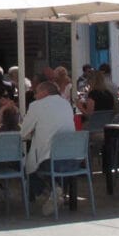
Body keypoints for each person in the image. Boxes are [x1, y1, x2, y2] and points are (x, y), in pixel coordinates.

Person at [20, 80, 77, 214]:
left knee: (26, 167)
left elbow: (23, 132)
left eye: (36, 92)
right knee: (37, 161)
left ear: (44, 93)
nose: (34, 96)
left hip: (51, 160)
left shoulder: (36, 106)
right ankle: (56, 190)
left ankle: (50, 192)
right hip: (73, 159)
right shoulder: (66, 104)